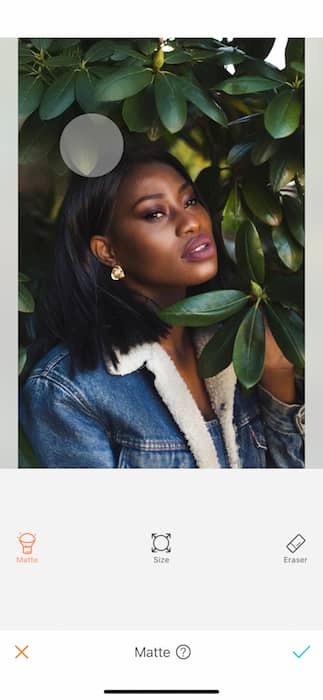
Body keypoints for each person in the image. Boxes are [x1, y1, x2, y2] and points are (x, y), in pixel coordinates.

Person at [19, 147, 304, 468]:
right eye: (155, 213)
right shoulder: (68, 391)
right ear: (107, 251)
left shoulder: (242, 345)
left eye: (190, 201)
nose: (190, 223)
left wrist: (278, 379)